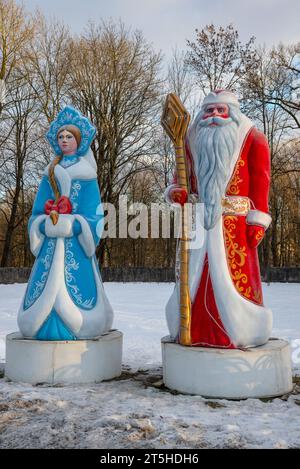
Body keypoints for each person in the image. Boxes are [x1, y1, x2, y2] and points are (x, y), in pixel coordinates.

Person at [165, 90, 273, 349]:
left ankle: (239, 328)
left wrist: (257, 220)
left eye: (220, 111)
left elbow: (261, 181)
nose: (213, 116)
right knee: (194, 276)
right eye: (209, 111)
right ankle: (192, 328)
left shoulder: (253, 140)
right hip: (198, 224)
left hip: (234, 226)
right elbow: (180, 179)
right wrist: (176, 192)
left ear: (232, 114)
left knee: (234, 277)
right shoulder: (190, 142)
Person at [18, 106, 113, 340]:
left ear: (78, 141)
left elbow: (95, 213)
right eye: (60, 137)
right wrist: (42, 223)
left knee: (79, 292)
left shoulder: (87, 174)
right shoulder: (49, 173)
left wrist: (76, 223)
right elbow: (37, 211)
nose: (64, 140)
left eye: (69, 136)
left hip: (77, 247)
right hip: (50, 246)